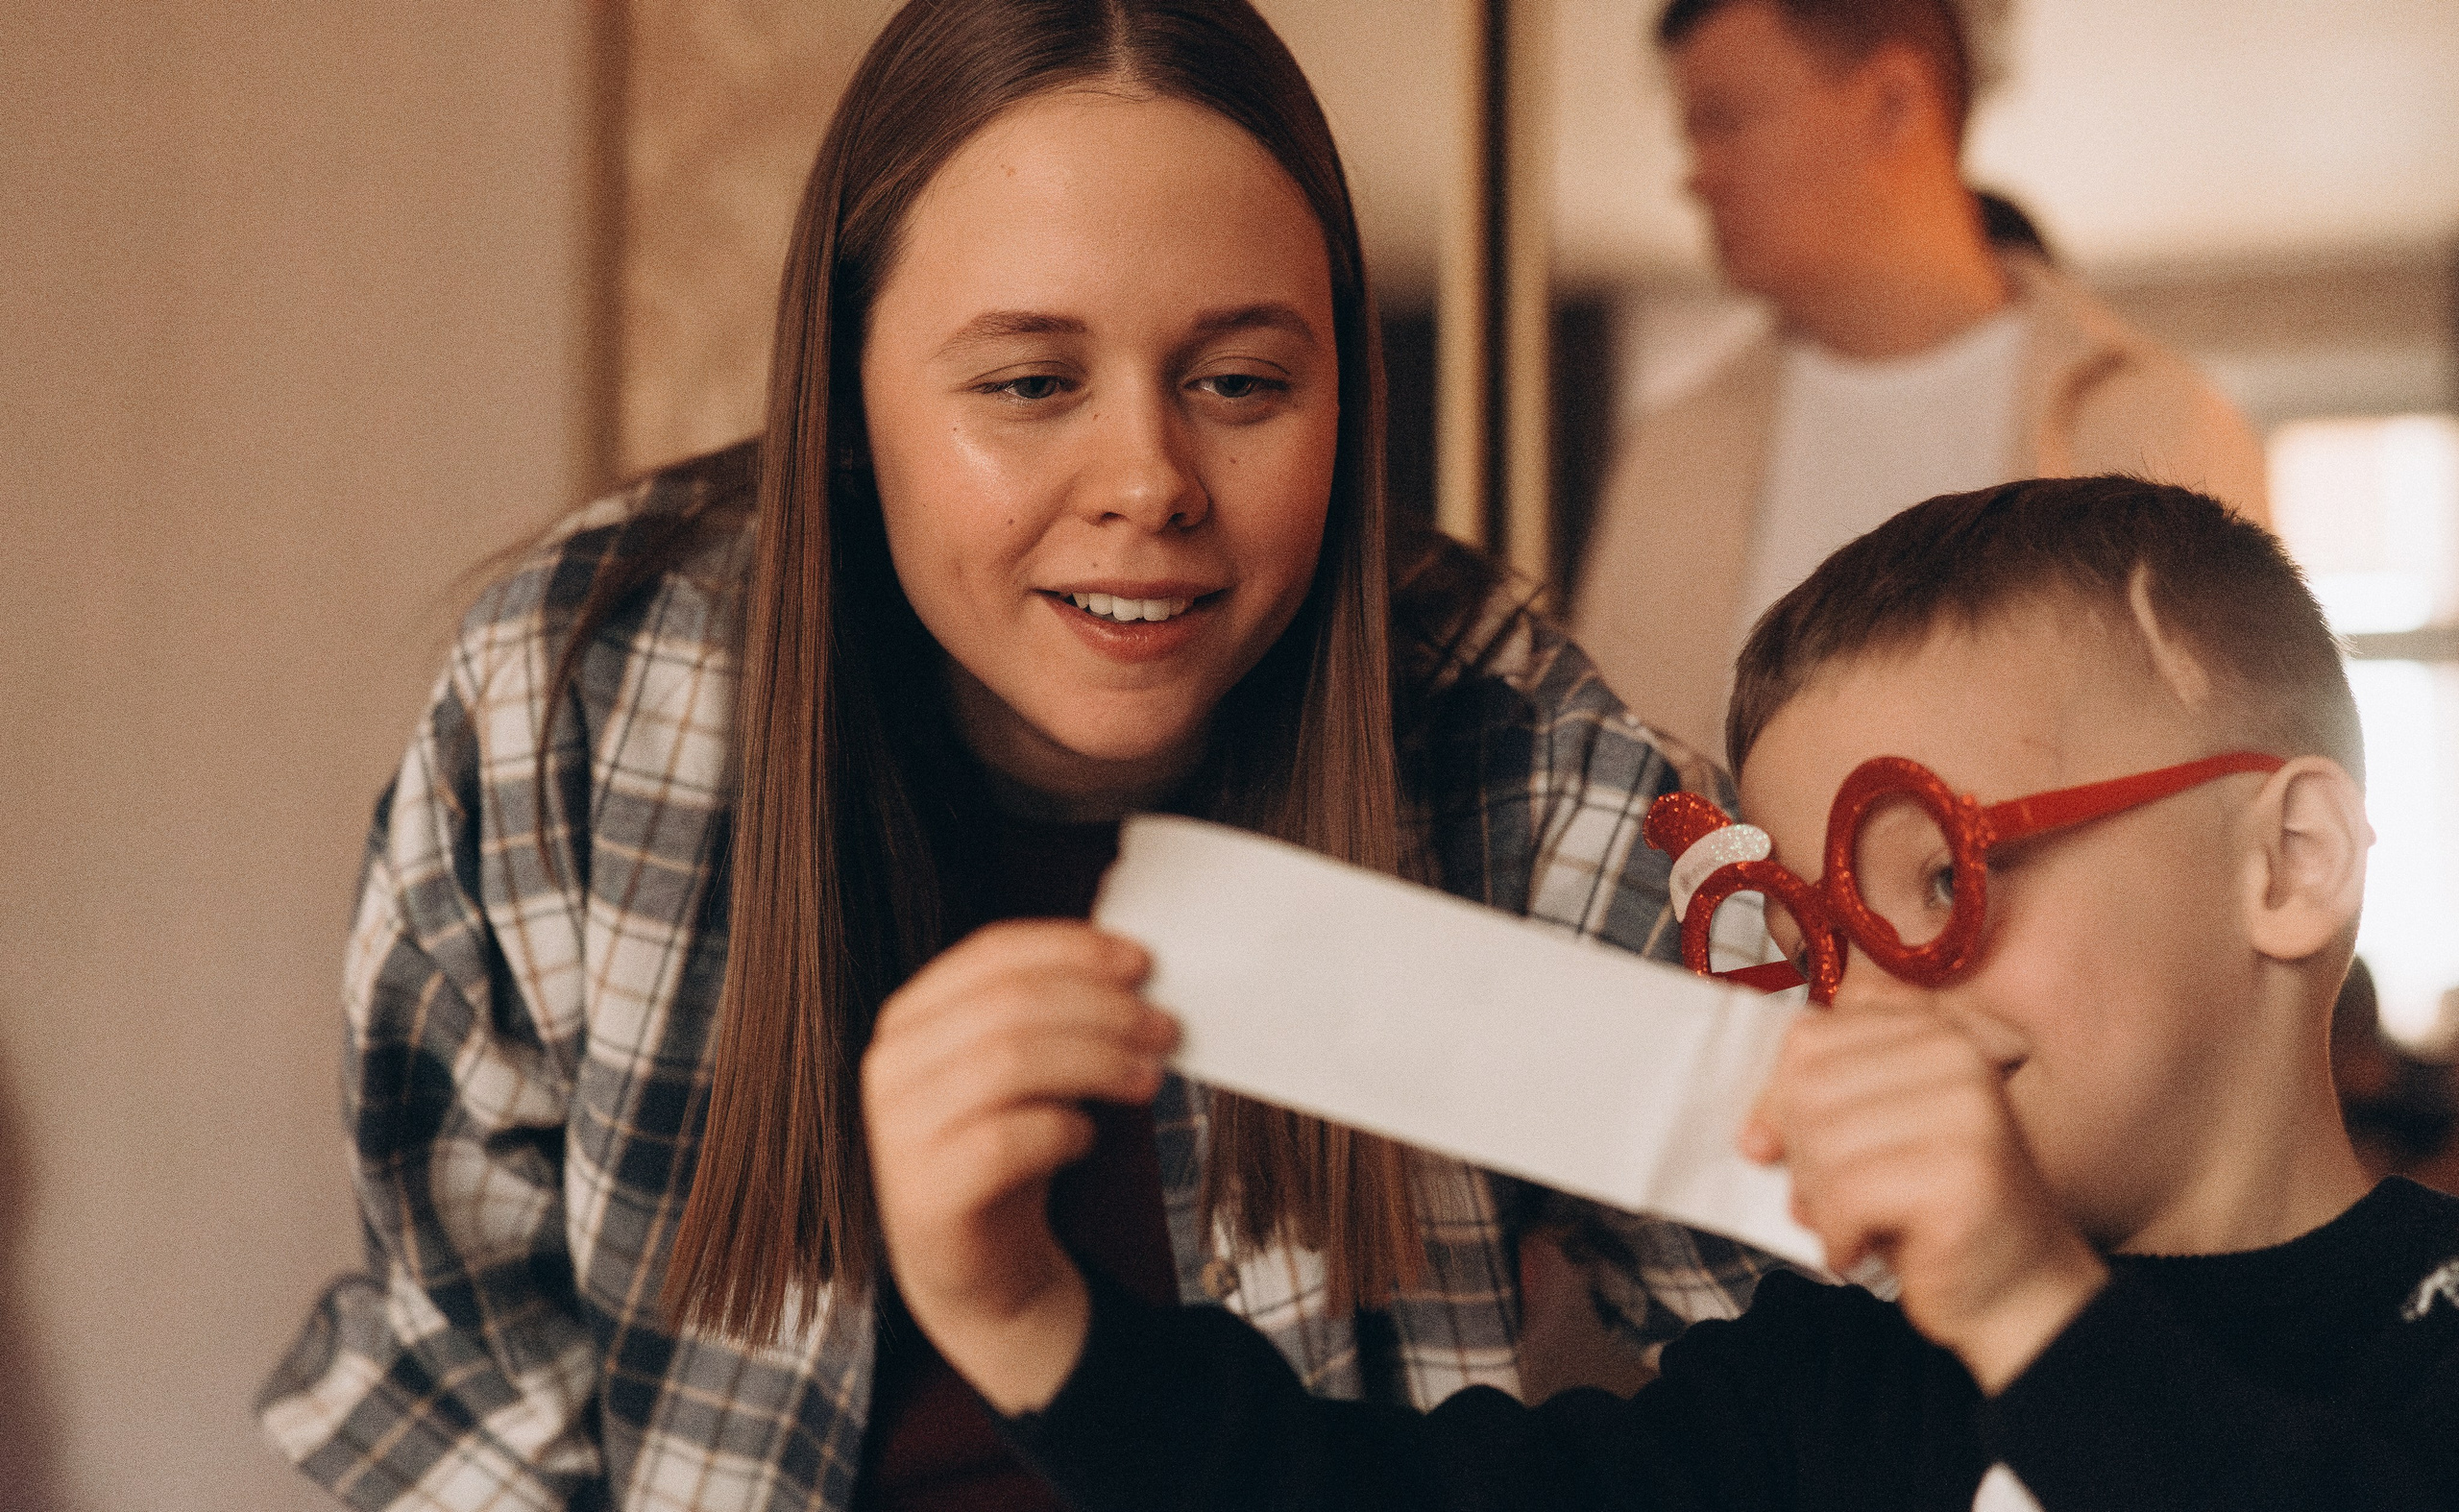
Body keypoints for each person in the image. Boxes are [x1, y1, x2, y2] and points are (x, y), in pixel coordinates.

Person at [256, 2, 1787, 1507]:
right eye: (1031, 384)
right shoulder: (577, 693)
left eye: (1242, 382)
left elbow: (1835, 1365)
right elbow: (465, 1375)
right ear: (851, 401)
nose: (1147, 481)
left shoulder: (1519, 763)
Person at [876, 476, 2459, 1509]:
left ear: (2290, 861)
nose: (1853, 1001)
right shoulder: (1840, 1372)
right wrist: (1025, 1318)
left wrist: (2037, 1306)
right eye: (1807, 928)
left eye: (1929, 876)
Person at [1570, 0, 2272, 759]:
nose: (1695, 177)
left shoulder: (2155, 427)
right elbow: (1600, 800)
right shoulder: (1671, 455)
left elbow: (2225, 800)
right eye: (1691, 133)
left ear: (1894, 104)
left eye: (1727, 121)